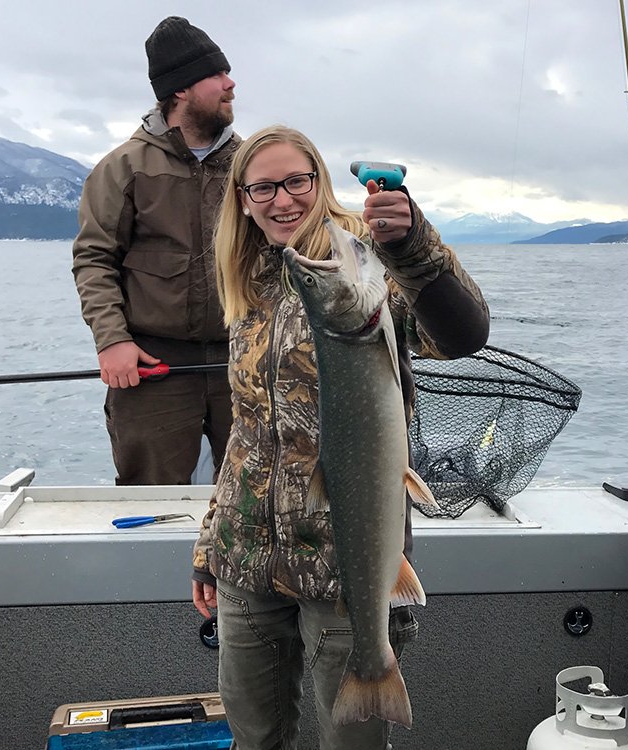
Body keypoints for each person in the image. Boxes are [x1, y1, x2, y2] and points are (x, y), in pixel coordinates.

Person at [190, 125, 490, 749]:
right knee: (254, 740)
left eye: (296, 182)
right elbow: (248, 433)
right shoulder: (246, 275)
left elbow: (462, 335)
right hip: (247, 563)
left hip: (345, 567)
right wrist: (209, 544)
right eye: (262, 188)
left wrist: (408, 243)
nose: (282, 201)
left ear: (318, 181)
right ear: (242, 198)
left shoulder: (363, 255)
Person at [72, 16, 238, 485]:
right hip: (151, 367)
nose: (230, 84)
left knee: (262, 496)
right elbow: (94, 259)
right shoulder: (122, 167)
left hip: (245, 358)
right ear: (180, 90)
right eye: (217, 75)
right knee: (148, 495)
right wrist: (113, 340)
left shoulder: (252, 164)